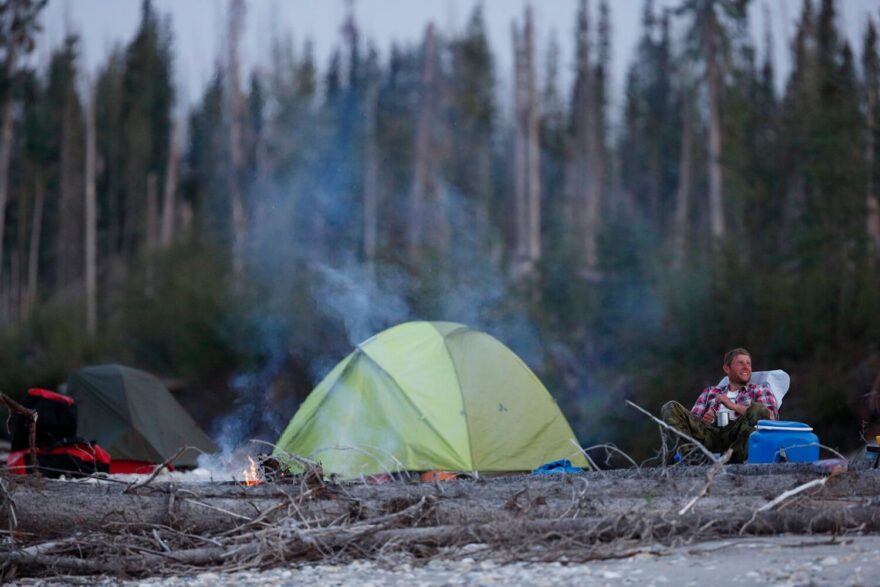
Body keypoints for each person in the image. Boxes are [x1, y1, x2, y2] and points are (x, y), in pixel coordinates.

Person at [661, 348, 778, 463]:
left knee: (758, 409)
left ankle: (731, 458)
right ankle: (692, 456)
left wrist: (733, 406)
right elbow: (690, 423)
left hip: (737, 434)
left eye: (748, 363)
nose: (746, 367)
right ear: (727, 368)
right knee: (670, 407)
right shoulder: (710, 392)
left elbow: (770, 417)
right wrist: (704, 420)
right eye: (740, 363)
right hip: (709, 435)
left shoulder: (760, 390)